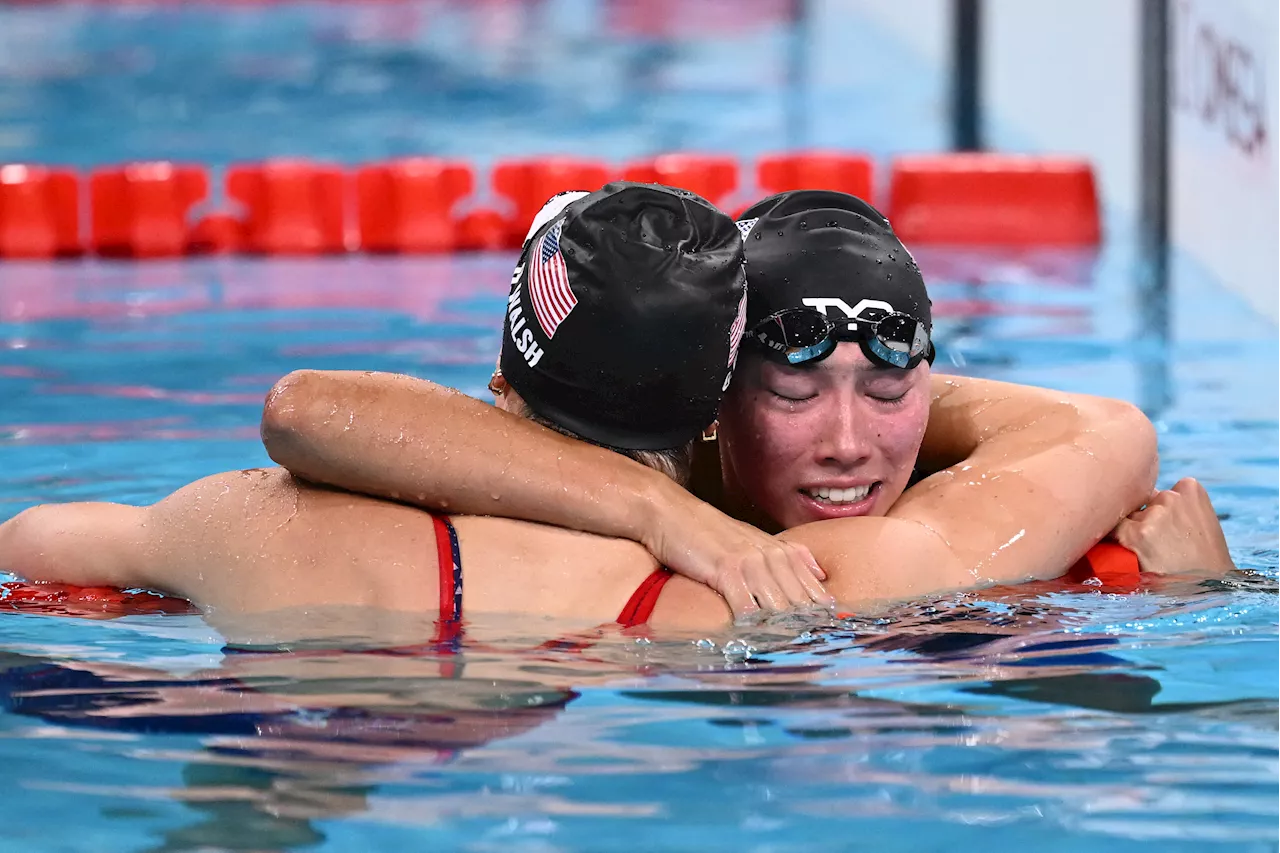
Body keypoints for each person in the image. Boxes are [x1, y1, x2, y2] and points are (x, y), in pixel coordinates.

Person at [0, 187, 1232, 642]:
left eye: (886, 385)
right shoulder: (759, 591)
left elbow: (33, 555)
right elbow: (1101, 434)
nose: (848, 438)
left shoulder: (246, 522)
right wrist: (1206, 603)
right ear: (708, 408)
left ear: (498, 386)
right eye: (788, 382)